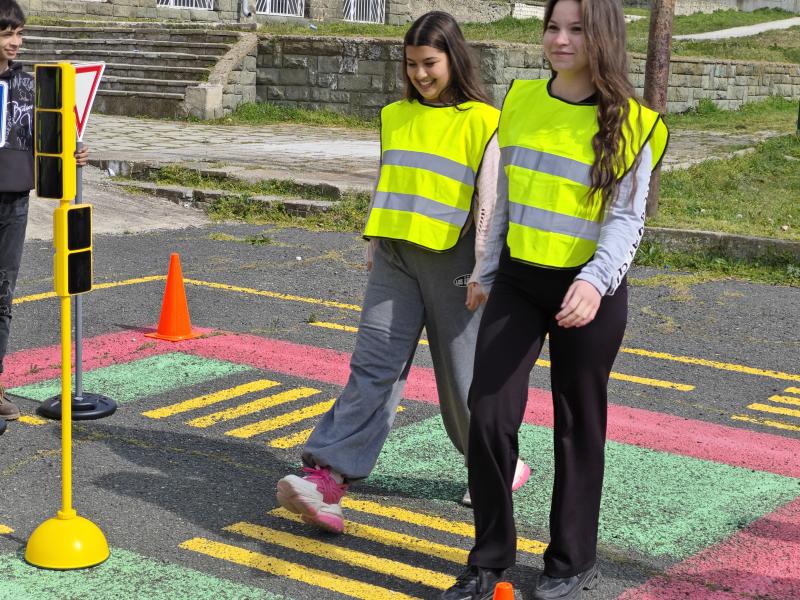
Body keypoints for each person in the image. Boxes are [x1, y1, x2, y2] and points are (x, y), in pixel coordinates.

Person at [441, 0, 669, 597]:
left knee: (578, 424)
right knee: (489, 413)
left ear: (603, 37)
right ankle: (488, 558)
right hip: (519, 280)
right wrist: (486, 269)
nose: (560, 40)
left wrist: (594, 282)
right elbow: (505, 196)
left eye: (576, 29)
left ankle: (571, 562)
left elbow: (627, 219)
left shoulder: (637, 123)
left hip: (588, 289)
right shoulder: (519, 101)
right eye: (552, 27)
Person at [276, 10, 530, 534]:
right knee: (373, 368)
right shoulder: (394, 114)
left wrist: (485, 269)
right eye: (412, 64)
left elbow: (491, 201)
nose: (420, 74)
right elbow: (388, 179)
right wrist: (375, 239)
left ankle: (495, 466)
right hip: (395, 256)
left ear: (454, 59)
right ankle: (327, 478)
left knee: (462, 382)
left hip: (456, 260)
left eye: (429, 63)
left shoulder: (484, 120)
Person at [0, 0, 89, 422]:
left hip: (13, 203)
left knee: (2, 296)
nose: (15, 42)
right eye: (7, 34)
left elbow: (51, 136)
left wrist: (74, 152)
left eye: (19, 34)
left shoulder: (29, 85)